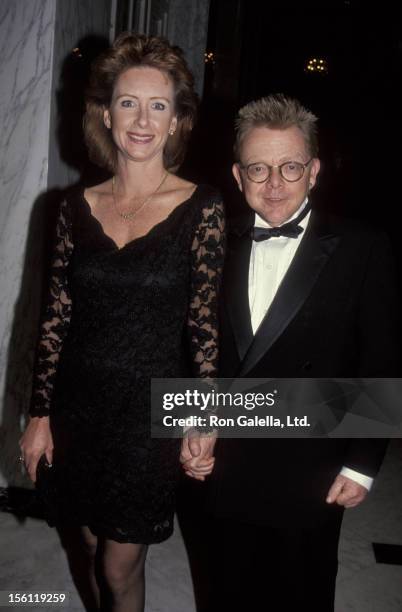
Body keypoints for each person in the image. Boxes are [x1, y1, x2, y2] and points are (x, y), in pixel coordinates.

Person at [19, 33, 224, 612]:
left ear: (178, 121)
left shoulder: (201, 207)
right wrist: (40, 416)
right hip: (79, 407)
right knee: (86, 540)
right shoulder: (70, 208)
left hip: (149, 416)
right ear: (106, 114)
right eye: (128, 102)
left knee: (121, 563)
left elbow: (203, 328)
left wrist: (203, 419)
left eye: (158, 105)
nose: (141, 119)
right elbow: (53, 319)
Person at [181, 93, 400, 611]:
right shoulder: (213, 243)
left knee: (301, 591)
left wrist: (362, 464)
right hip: (226, 462)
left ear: (315, 170)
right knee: (224, 590)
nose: (274, 183)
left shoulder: (361, 246)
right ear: (237, 176)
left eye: (290, 166)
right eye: (258, 168)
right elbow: (189, 347)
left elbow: (382, 359)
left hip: (312, 466)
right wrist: (190, 426)